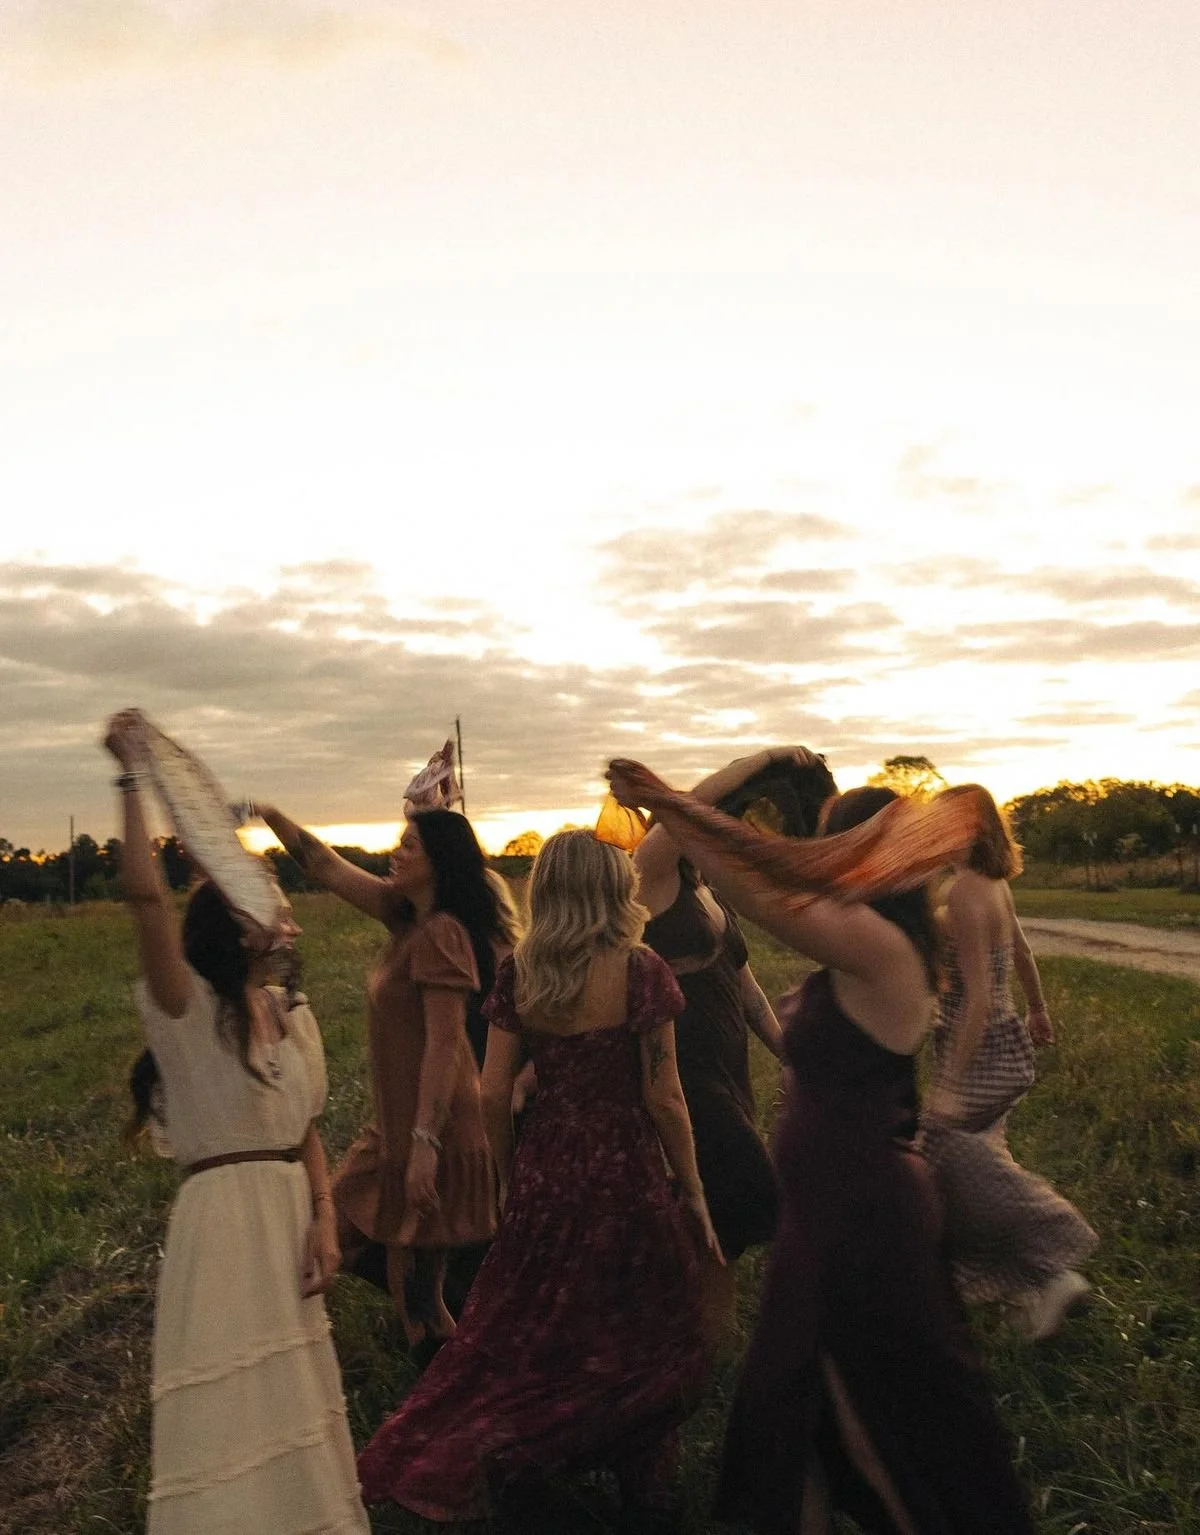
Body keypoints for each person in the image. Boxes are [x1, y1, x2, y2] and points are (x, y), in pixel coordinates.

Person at [606, 760, 1035, 1535]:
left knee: (880, 1424)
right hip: (827, 1209)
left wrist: (674, 802)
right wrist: (686, 803)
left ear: (862, 856)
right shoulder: (868, 940)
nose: (819, 858)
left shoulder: (880, 946)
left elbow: (754, 893)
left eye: (832, 845)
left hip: (861, 1214)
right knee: (793, 1418)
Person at [355, 829, 720, 1526]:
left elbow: (494, 1092)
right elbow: (664, 1095)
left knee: (534, 1323)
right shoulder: (640, 969)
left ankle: (513, 1453)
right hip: (625, 1170)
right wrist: (693, 1188)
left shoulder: (522, 970)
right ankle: (641, 1480)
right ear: (612, 888)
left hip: (550, 1167)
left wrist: (505, 1177)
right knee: (643, 1321)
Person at [103, 711, 368, 1535]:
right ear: (235, 926)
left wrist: (326, 1217)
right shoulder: (186, 1009)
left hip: (288, 1220)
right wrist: (129, 779)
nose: (287, 919)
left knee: (292, 1401)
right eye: (271, 905)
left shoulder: (290, 1015)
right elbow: (146, 895)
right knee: (230, 1408)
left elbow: (306, 1132)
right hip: (222, 1229)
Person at [256, 802, 510, 1347]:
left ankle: (462, 1404)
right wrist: (269, 812)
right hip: (395, 1132)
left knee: (419, 1303)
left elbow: (445, 1044)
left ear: (439, 862)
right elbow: (322, 864)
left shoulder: (444, 933)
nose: (395, 852)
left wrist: (424, 1142)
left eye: (409, 845)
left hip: (432, 1128)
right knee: (348, 1242)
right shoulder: (405, 917)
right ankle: (465, 1366)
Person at [633, 747, 834, 1343]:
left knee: (716, 1213)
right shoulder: (652, 877)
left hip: (728, 1068)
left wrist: (791, 1056)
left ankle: (706, 1337)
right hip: (683, 1069)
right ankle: (697, 1334)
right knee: (738, 1190)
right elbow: (689, 808)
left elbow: (745, 992)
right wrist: (764, 759)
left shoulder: (706, 892)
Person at [922, 785, 1096, 1339]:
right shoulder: (992, 884)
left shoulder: (970, 892)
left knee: (947, 1152)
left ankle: (1053, 1260)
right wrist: (1038, 1010)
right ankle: (1025, 1287)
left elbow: (974, 996)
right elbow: (1021, 952)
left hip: (978, 1047)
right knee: (983, 1157)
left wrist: (949, 1082)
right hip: (1004, 1037)